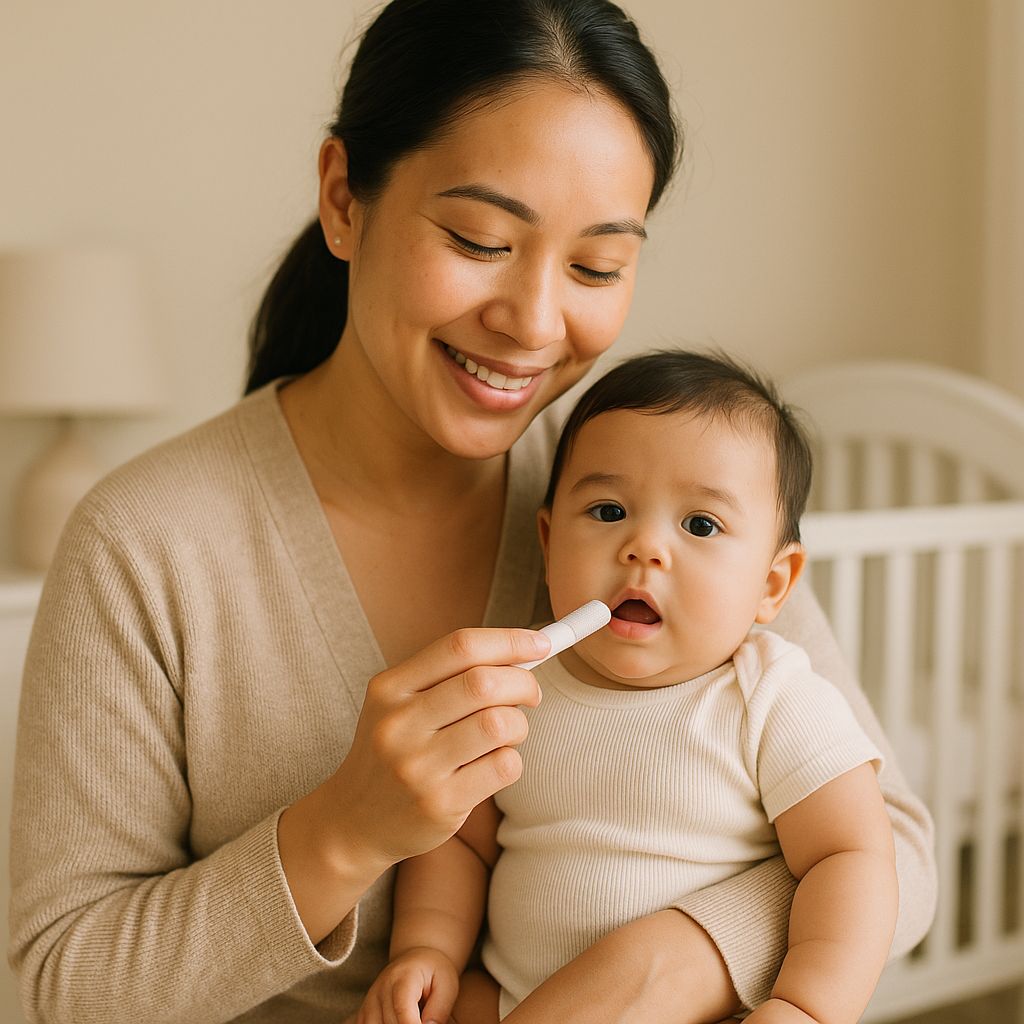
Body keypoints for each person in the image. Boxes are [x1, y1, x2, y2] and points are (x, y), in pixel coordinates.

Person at [7, 2, 934, 1023]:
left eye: (596, 266)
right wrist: (339, 833)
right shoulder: (145, 544)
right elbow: (61, 984)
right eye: (479, 238)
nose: (534, 322)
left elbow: (889, 844)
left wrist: (656, 967)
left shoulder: (658, 496)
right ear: (343, 199)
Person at [356, 350, 899, 1024]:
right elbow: (461, 840)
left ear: (772, 585)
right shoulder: (519, 685)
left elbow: (852, 856)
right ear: (550, 542)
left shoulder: (773, 698)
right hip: (504, 999)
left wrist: (807, 1005)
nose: (645, 548)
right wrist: (427, 949)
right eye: (609, 511)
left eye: (700, 525)